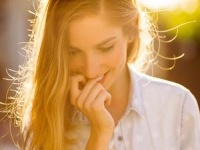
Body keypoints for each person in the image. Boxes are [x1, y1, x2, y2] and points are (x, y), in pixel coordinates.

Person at [5, 0, 200, 149]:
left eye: (105, 48)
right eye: (73, 52)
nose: (91, 70)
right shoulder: (47, 118)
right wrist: (99, 135)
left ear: (132, 30)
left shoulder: (178, 106)